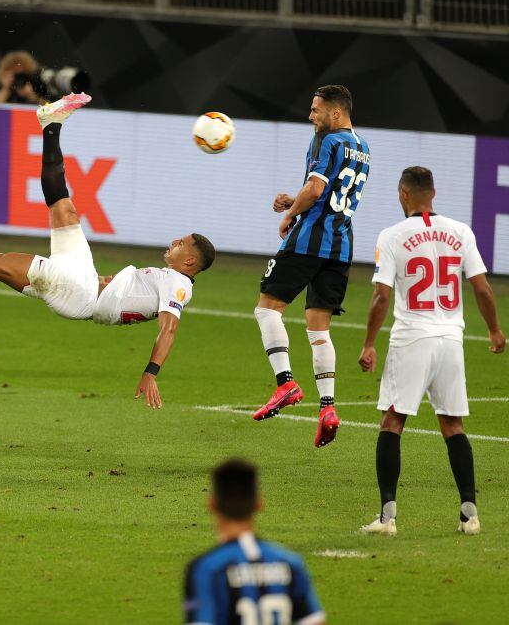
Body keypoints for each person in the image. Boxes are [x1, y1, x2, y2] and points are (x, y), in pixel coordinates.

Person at [0, 94, 215, 408]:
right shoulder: (172, 277)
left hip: (81, 294)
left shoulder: (179, 286)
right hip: (85, 275)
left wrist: (151, 372)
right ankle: (51, 125)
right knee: (63, 205)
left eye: (181, 243)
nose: (174, 242)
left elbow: (169, 329)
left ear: (189, 260)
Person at [357, 167, 504, 537]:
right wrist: (495, 329)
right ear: (433, 193)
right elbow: (483, 289)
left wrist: (369, 342)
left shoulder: (392, 236)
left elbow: (381, 295)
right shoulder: (461, 232)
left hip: (412, 338)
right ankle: (470, 514)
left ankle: (387, 518)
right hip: (451, 339)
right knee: (452, 424)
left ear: (403, 194)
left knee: (393, 421)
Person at [252, 84, 370, 448]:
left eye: (316, 110)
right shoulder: (363, 148)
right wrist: (296, 197)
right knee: (319, 330)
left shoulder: (328, 141)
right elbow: (330, 193)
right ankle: (328, 408)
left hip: (308, 242)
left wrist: (291, 213)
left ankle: (285, 383)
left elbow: (317, 190)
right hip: (340, 247)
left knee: (266, 310)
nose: (311, 116)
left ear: (335, 113)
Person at [184, 459, 325, 625]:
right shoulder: (290, 563)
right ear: (259, 503)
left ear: (212, 504)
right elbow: (315, 620)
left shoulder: (208, 568)